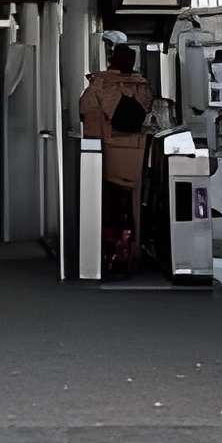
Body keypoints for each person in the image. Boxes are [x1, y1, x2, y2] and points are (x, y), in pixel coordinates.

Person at [79, 40, 159, 270]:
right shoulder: (142, 87)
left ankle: (107, 251)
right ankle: (130, 250)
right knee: (132, 207)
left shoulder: (100, 85)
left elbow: (84, 110)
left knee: (104, 205)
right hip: (135, 153)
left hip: (102, 154)